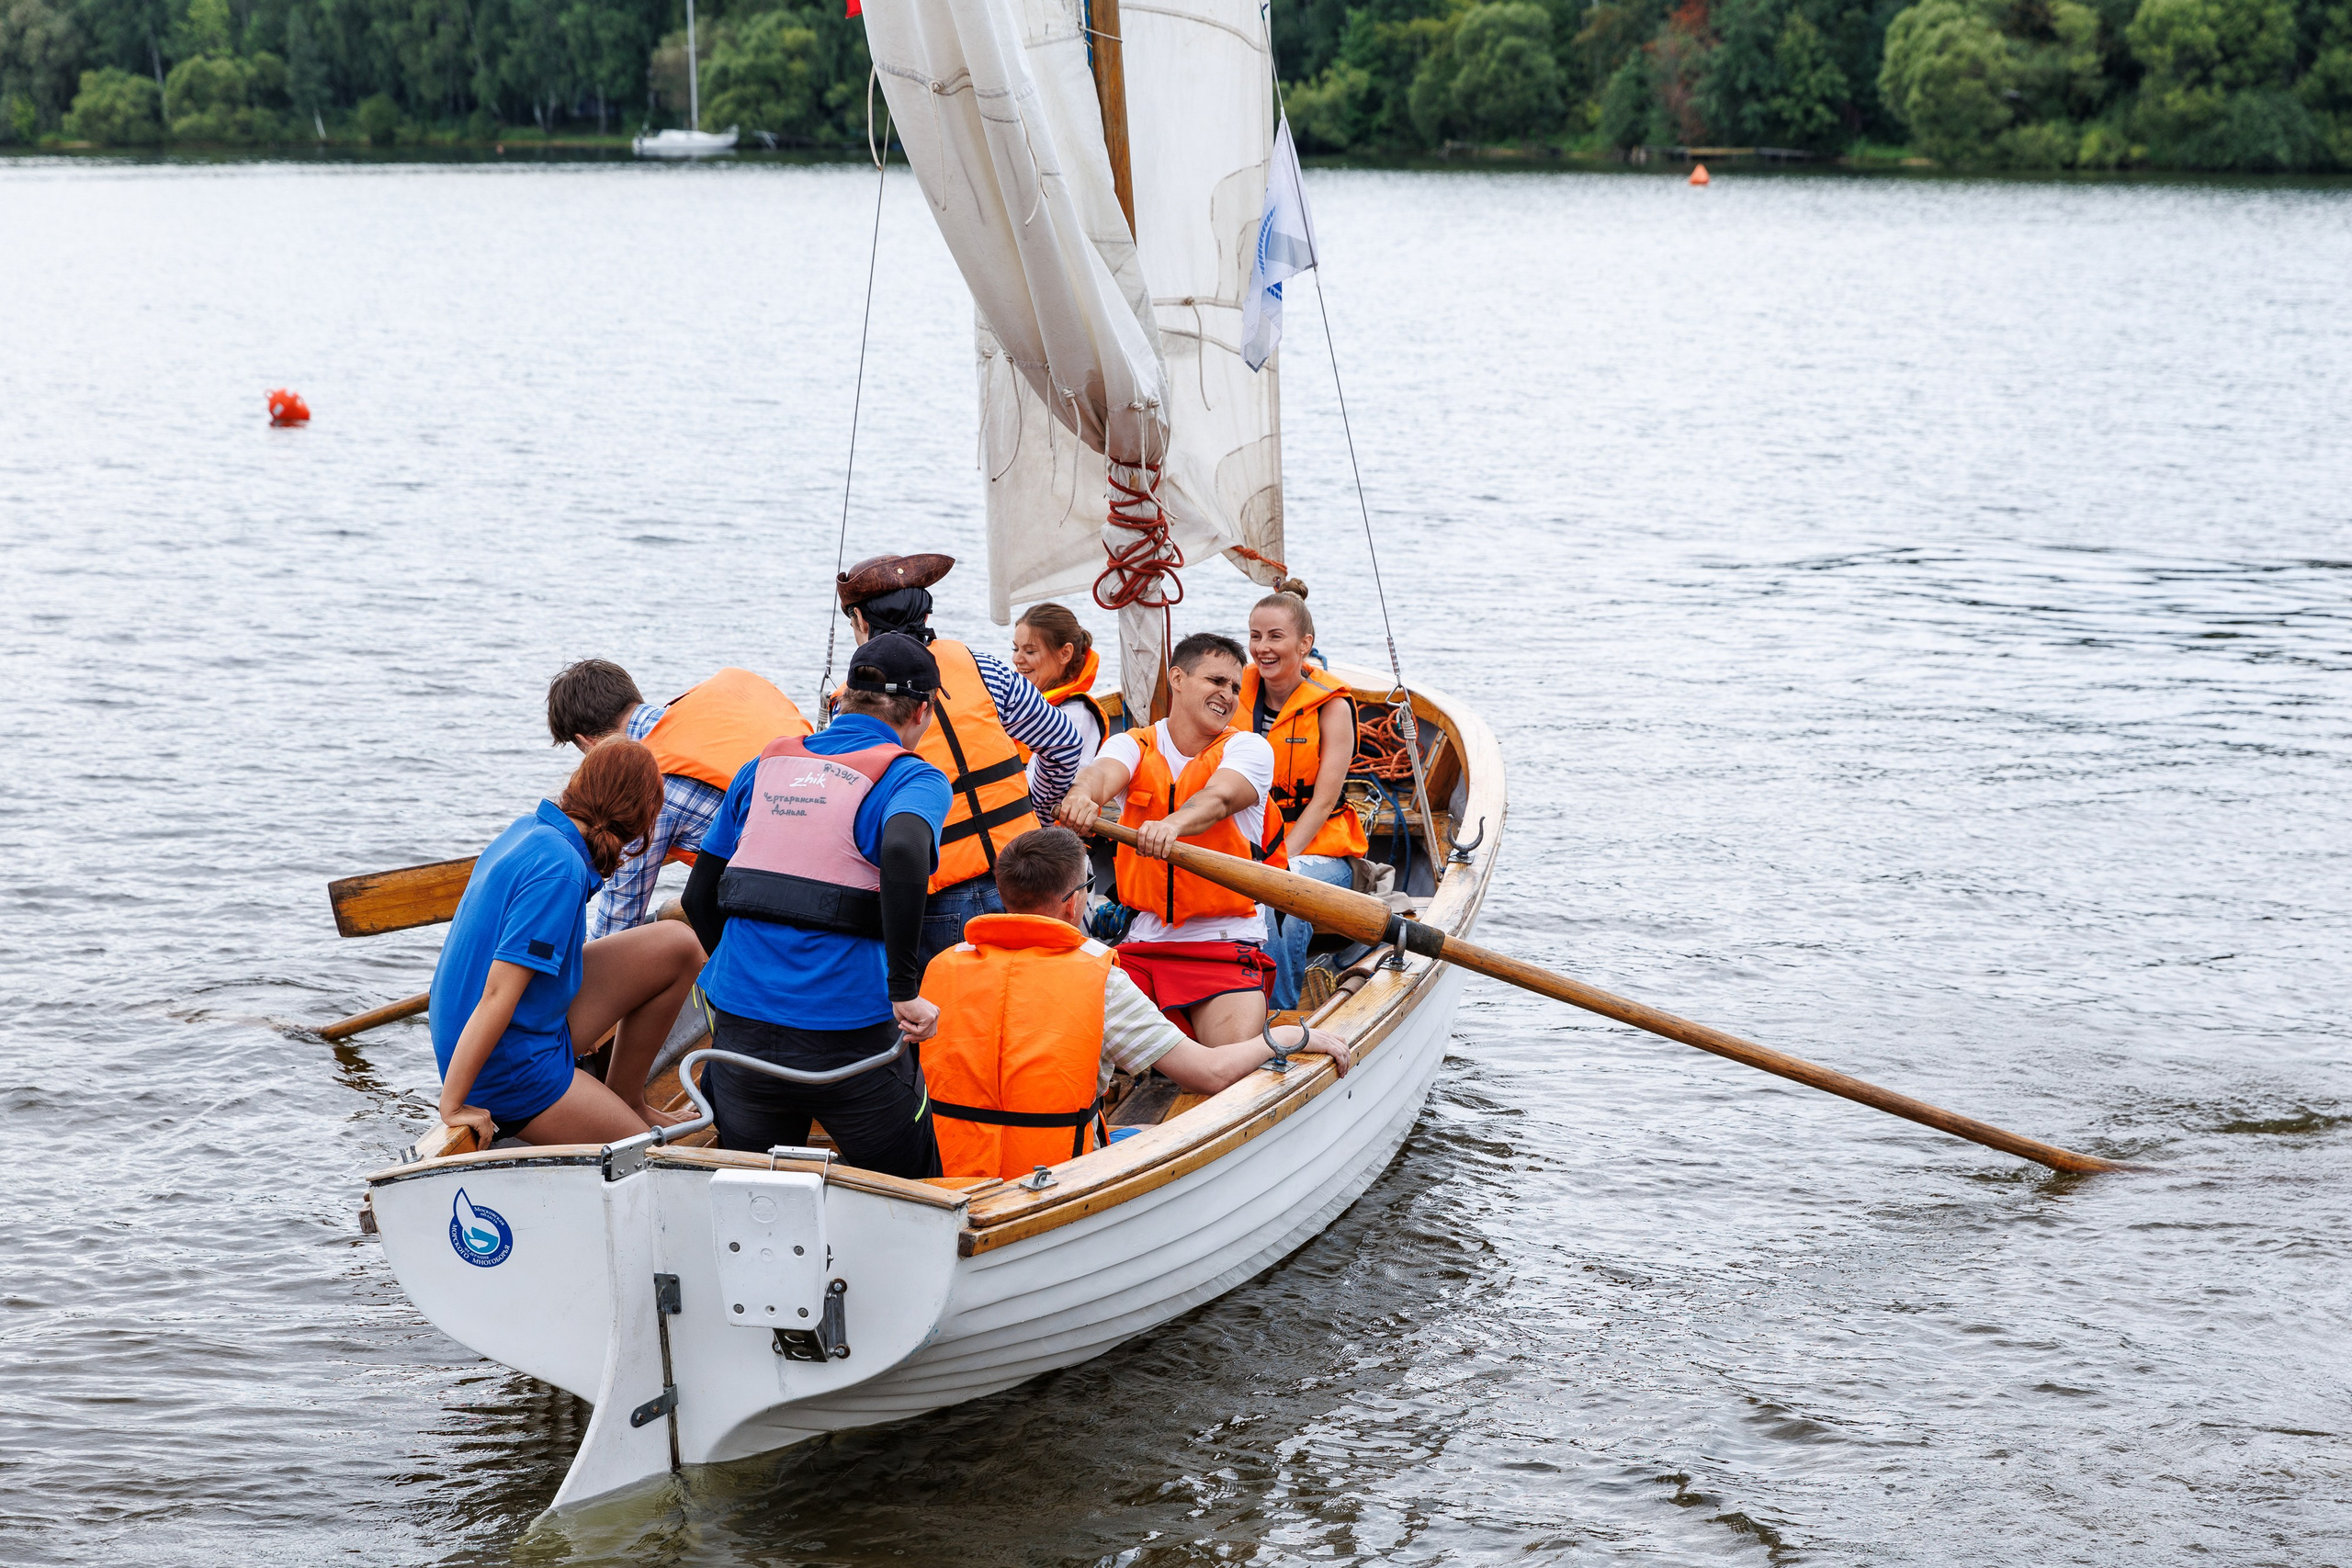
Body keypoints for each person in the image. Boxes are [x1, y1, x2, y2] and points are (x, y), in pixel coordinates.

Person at [920, 827, 1351, 1181]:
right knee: (1156, 1132)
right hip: (1053, 1179)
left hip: (953, 1173)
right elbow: (1210, 1074)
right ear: (1073, 903)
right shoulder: (1098, 977)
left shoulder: (943, 966)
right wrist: (1289, 1036)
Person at [681, 634, 953, 1179]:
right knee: (908, 1193)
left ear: (844, 696)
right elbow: (903, 848)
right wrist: (903, 990)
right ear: (922, 711)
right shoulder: (912, 777)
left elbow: (697, 897)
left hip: (741, 1031)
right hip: (851, 1042)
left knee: (756, 1199)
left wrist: (749, 974)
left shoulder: (763, 766)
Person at [431, 740, 708, 1147]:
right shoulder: (561, 871)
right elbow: (497, 993)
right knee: (647, 1156)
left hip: (512, 1027)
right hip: (508, 1067)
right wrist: (453, 1103)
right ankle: (604, 1110)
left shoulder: (532, 830)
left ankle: (629, 1099)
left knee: (678, 945)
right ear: (642, 819)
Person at [835, 553, 1083, 967]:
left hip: (938, 900)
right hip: (1025, 876)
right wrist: (1036, 815)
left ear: (860, 620)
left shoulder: (852, 704)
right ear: (925, 614)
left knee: (947, 1005)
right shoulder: (984, 668)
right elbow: (1064, 743)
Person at [1056, 631, 1285, 1044]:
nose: (1228, 695)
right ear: (1177, 679)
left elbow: (1219, 798)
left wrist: (1172, 826)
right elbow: (1100, 775)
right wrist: (1081, 796)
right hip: (1142, 942)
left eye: (1235, 687)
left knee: (1230, 1060)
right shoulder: (1133, 744)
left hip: (1223, 942)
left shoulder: (1250, 748)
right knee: (1074, 1040)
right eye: (1216, 681)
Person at [545, 659, 811, 941]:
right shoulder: (699, 720)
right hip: (819, 863)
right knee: (676, 910)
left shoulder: (640, 786)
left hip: (785, 909)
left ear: (589, 742)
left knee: (671, 924)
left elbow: (617, 926)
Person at [1238, 581, 1365, 1010]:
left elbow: (1323, 802)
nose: (1263, 648)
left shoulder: (1332, 707)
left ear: (1304, 644)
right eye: (1255, 636)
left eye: (1275, 637)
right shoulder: (1234, 693)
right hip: (1248, 844)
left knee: (1283, 895)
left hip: (1318, 852)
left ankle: (1280, 1015)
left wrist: (1277, 861)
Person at [1009, 602, 1108, 791]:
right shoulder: (1018, 705)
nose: (1017, 659)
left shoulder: (1075, 717)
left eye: (1030, 651)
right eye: (1015, 649)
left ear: (1065, 653)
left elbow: (1047, 793)